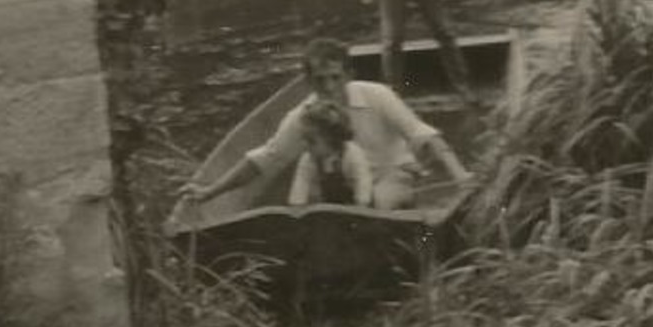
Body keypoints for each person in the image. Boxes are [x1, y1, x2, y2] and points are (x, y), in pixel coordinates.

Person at [181, 37, 471, 213]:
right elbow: (265, 160)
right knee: (321, 213)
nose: (329, 87)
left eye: (335, 77)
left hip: (392, 176)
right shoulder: (305, 116)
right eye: (320, 80)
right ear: (309, 81)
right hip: (342, 187)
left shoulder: (377, 95)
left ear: (348, 73)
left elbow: (423, 134)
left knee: (378, 206)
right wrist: (209, 192)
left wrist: (460, 176)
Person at [289, 100, 374, 207]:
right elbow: (298, 191)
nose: (305, 145)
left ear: (332, 139)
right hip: (326, 209)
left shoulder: (352, 154)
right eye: (303, 138)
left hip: (356, 208)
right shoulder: (308, 159)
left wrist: (361, 204)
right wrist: (298, 204)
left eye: (311, 141)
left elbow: (363, 186)